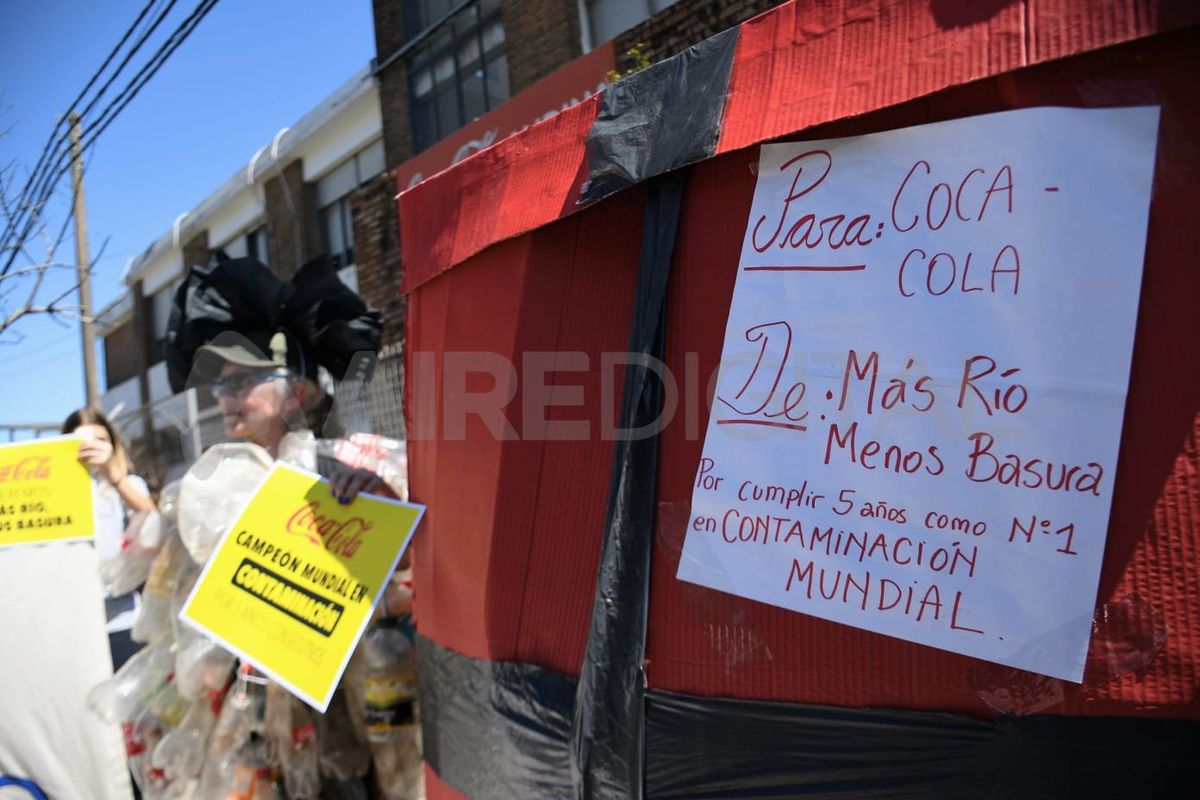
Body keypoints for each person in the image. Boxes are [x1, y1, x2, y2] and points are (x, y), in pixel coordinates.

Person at [63, 407, 155, 669]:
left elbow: (151, 517)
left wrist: (116, 478)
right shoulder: (60, 492)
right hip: (73, 623)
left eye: (100, 440)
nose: (92, 447)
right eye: (81, 440)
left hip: (122, 619)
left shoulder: (127, 485)